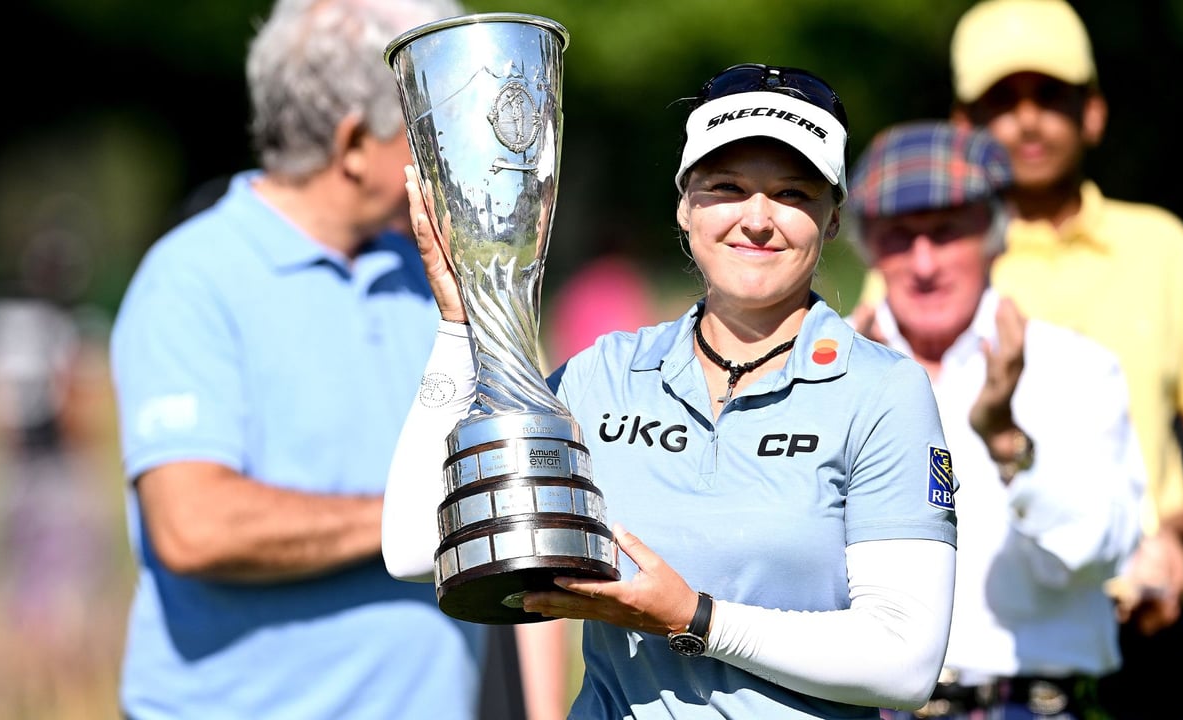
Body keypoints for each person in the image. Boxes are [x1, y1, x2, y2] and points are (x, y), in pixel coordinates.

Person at [383, 62, 959, 718]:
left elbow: (905, 662)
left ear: (831, 220)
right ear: (685, 205)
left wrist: (694, 619)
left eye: (795, 194)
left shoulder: (882, 392)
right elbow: (413, 545)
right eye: (727, 187)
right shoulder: (605, 375)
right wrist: (462, 324)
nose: (758, 219)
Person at [108, 0, 568, 718]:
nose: (445, 150)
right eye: (425, 125)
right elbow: (194, 527)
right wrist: (429, 517)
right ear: (353, 144)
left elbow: (519, 515)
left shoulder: (437, 274)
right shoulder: (191, 276)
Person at [944, 2, 1183, 718]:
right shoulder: (930, 263)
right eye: (1001, 102)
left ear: (1092, 113)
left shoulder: (1160, 248)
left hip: (1139, 615)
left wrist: (1169, 537)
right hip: (987, 640)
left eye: (1050, 97)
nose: (1027, 121)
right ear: (962, 130)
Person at [845, 120, 1143, 719]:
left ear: (995, 233)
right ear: (867, 246)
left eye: (947, 232)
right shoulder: (829, 371)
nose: (923, 263)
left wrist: (1007, 440)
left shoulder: (1073, 368)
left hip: (1036, 706)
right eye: (899, 237)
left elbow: (1099, 552)